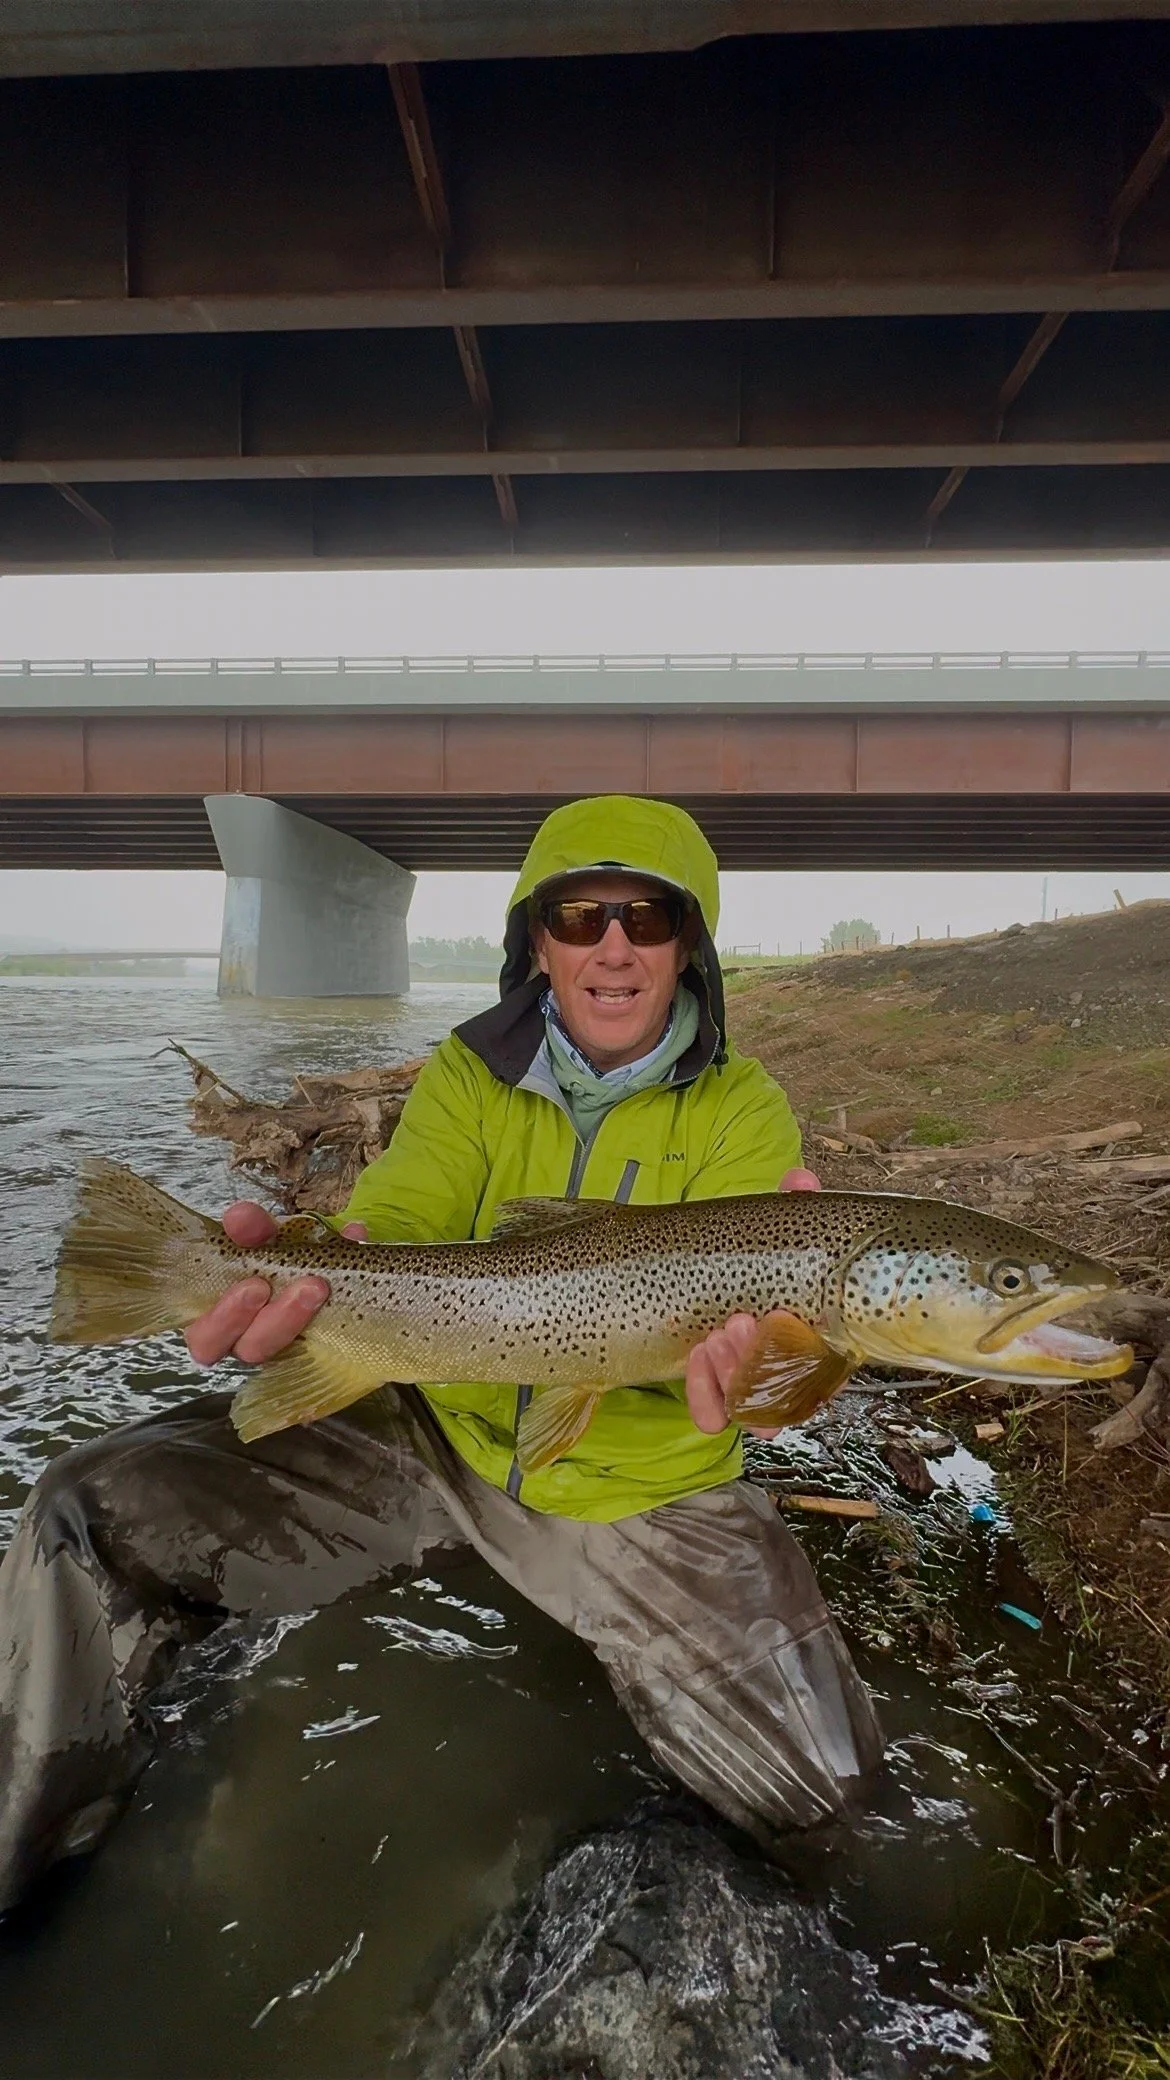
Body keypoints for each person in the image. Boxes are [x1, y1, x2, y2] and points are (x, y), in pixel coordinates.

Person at [0, 795, 883, 1915]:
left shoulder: (745, 1107)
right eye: (580, 915)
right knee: (81, 1502)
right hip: (432, 1429)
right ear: (540, 944)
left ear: (688, 946)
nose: (614, 943)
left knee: (831, 1798)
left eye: (649, 917)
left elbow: (767, 1355)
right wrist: (323, 1272)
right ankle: (30, 1856)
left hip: (644, 1489)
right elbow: (396, 1227)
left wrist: (771, 1382)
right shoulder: (468, 1075)